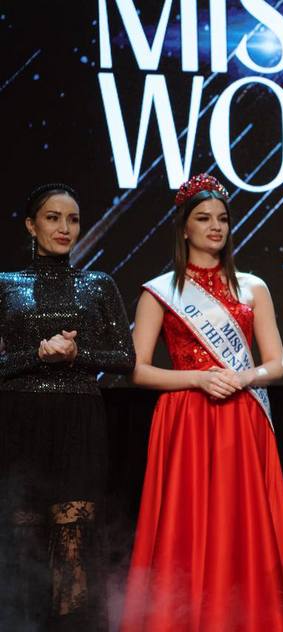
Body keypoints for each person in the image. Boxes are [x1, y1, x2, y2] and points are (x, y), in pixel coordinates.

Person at [119, 174, 283, 632]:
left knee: (242, 523)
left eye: (222, 219)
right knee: (185, 521)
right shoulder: (159, 291)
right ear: (184, 228)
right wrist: (198, 379)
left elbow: (277, 363)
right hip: (185, 418)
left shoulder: (253, 287)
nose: (215, 227)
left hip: (242, 416)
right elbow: (137, 370)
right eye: (203, 218)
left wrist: (242, 377)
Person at [0, 183, 134, 631]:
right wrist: (37, 354)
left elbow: (126, 359)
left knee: (72, 545)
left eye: (73, 219)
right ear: (30, 225)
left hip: (78, 421)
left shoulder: (98, 285)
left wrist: (77, 355)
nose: (64, 228)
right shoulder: (6, 285)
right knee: (22, 544)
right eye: (53, 218)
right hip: (20, 421)